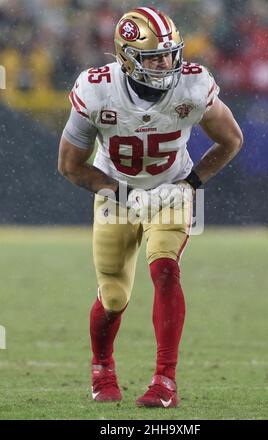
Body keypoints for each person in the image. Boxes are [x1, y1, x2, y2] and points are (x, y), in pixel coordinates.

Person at [58, 6, 243, 408]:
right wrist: (120, 192)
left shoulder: (192, 85)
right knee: (112, 297)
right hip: (116, 195)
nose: (166, 63)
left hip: (171, 190)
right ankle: (102, 368)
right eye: (154, 56)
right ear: (126, 57)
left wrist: (189, 185)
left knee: (165, 269)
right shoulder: (96, 89)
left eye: (170, 53)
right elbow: (69, 165)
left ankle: (165, 382)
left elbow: (231, 140)